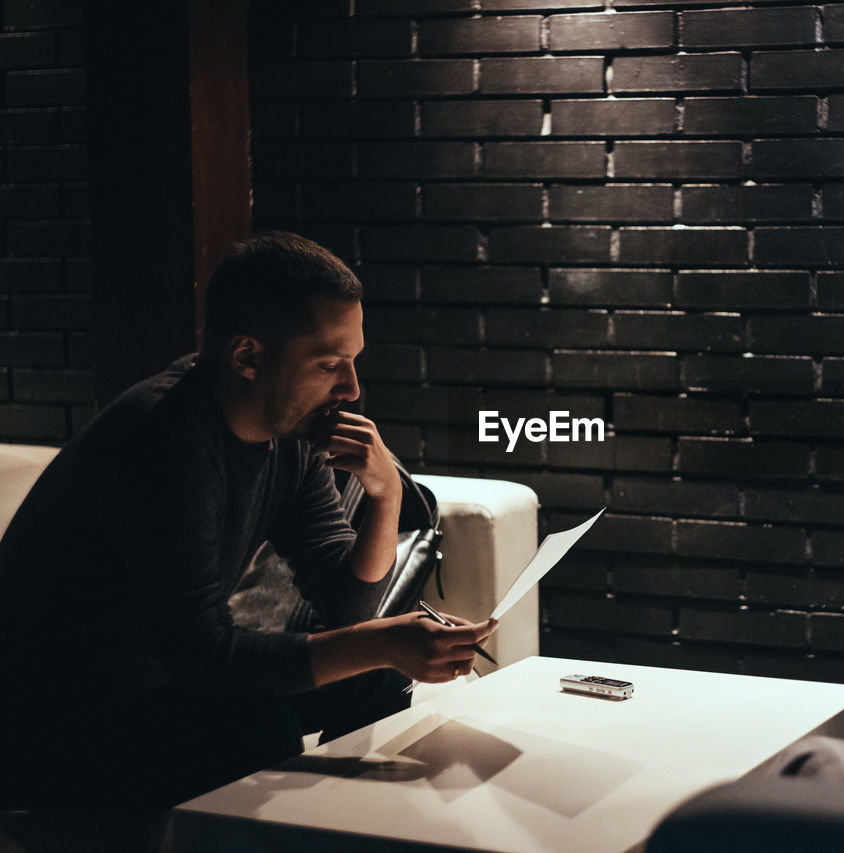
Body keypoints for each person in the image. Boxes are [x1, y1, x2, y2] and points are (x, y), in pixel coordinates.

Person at [0, 232, 496, 810]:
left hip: (153, 683)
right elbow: (202, 658)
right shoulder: (165, 440)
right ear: (248, 357)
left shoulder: (289, 435)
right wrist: (382, 642)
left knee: (374, 679)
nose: (352, 389)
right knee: (253, 728)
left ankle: (355, 829)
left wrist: (384, 497)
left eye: (353, 362)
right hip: (52, 718)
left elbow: (345, 608)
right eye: (329, 364)